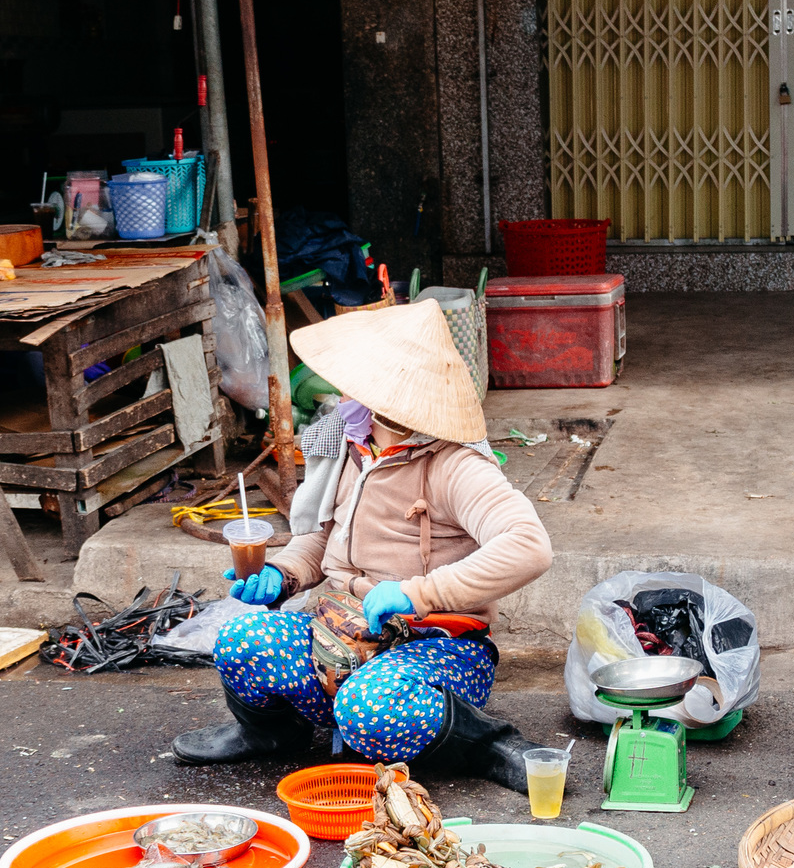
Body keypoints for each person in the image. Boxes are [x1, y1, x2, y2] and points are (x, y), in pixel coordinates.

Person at [172, 301, 553, 790]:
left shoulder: (457, 466)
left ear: (387, 397)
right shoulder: (352, 447)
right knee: (242, 639)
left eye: (355, 383)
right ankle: (270, 735)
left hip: (435, 648)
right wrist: (283, 574)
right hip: (341, 631)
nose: (342, 392)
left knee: (370, 708)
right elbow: (324, 538)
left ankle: (485, 744)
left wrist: (420, 594)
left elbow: (529, 546)